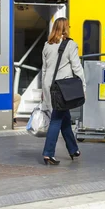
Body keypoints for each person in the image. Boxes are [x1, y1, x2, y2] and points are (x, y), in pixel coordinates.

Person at [41, 17, 85, 165]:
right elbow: (76, 66)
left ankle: (73, 149)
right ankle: (48, 153)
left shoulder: (47, 45)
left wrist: (44, 90)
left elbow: (44, 69)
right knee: (57, 119)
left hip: (49, 85)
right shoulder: (71, 44)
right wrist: (83, 84)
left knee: (64, 117)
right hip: (62, 87)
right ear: (66, 28)